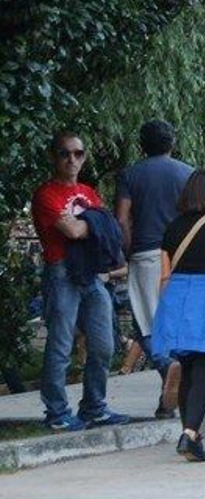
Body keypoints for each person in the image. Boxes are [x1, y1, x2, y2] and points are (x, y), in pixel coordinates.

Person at [31, 132, 132, 431]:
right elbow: (74, 232)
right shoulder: (46, 194)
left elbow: (108, 229)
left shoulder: (88, 191)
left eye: (78, 153)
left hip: (91, 273)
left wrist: (91, 224)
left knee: (104, 345)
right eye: (64, 153)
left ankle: (94, 407)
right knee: (61, 344)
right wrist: (97, 224)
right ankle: (57, 412)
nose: (72, 159)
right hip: (61, 272)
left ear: (84, 157)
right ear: (54, 157)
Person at [150, 169, 205, 462]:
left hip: (176, 295)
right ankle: (189, 434)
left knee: (188, 365)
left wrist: (165, 307)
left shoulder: (173, 227)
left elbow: (164, 275)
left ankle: (191, 433)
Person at [115, 119, 194, 418]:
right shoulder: (188, 173)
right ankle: (171, 399)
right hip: (183, 254)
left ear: (141, 146)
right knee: (177, 323)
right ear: (172, 143)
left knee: (147, 323)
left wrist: (126, 250)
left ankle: (165, 365)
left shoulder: (131, 175)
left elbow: (122, 218)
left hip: (147, 254)